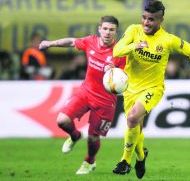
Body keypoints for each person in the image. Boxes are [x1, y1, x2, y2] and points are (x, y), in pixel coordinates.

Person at [112, 1, 190, 179]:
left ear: (160, 20)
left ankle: (125, 161)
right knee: (134, 126)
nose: (145, 22)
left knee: (132, 118)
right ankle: (141, 157)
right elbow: (117, 51)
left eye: (151, 19)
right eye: (144, 17)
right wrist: (133, 47)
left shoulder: (167, 40)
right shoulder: (133, 31)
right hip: (130, 89)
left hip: (153, 88)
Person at [38, 16, 125, 175]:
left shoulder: (121, 52)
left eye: (111, 29)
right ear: (99, 29)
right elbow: (71, 41)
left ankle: (89, 162)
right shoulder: (90, 41)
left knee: (93, 137)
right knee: (62, 120)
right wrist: (50, 43)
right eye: (105, 28)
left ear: (116, 32)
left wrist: (115, 71)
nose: (107, 32)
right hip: (86, 92)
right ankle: (75, 135)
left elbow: (125, 79)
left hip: (106, 101)